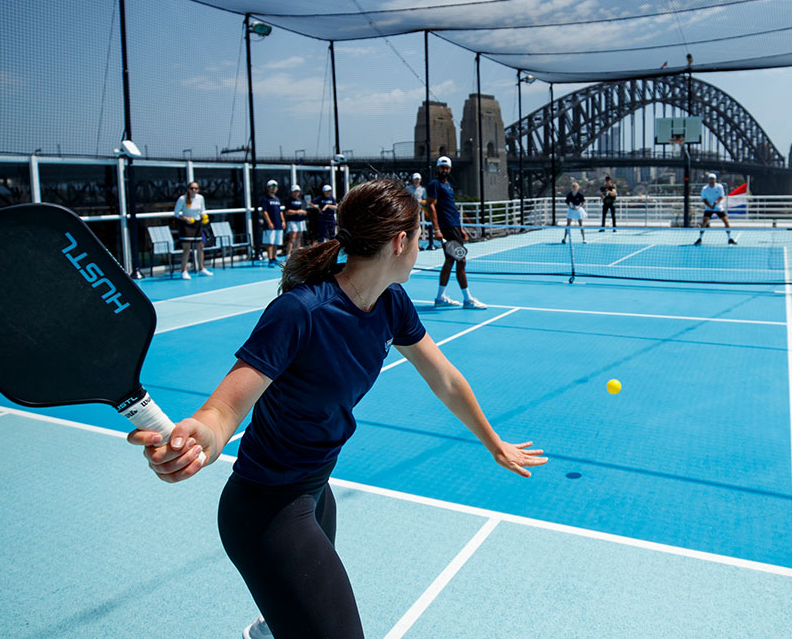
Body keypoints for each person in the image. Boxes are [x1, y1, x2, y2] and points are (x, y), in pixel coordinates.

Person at [127, 179, 546, 639]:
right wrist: (201, 437)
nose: (422, 245)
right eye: (419, 234)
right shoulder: (301, 312)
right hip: (265, 510)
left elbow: (443, 378)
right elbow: (225, 409)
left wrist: (493, 442)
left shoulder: (391, 303)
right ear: (399, 241)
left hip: (314, 494)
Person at [427, 156, 486, 309]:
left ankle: (440, 297)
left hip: (454, 228)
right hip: (447, 229)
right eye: (441, 167)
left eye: (446, 168)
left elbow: (452, 209)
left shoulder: (449, 186)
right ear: (437, 168)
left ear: (450, 169)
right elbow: (431, 206)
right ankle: (468, 300)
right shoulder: (434, 184)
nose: (444, 170)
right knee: (461, 261)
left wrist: (461, 230)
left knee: (450, 261)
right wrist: (437, 229)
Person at [174, 181, 213, 279]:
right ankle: (184, 271)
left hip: (197, 224)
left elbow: (202, 209)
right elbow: (176, 213)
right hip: (186, 225)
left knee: (200, 246)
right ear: (188, 189)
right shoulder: (182, 199)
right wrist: (186, 219)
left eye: (196, 188)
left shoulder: (200, 198)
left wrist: (204, 216)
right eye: (192, 188)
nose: (194, 190)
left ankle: (201, 268)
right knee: (186, 248)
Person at [693, 173, 737, 246]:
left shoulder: (719, 187)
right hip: (708, 208)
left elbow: (721, 196)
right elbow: (703, 199)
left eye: (713, 179)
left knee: (726, 222)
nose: (712, 180)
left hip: (718, 208)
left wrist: (716, 202)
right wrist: (709, 206)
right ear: (708, 180)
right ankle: (700, 238)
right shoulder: (705, 189)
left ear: (715, 180)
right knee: (704, 222)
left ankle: (730, 238)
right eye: (710, 179)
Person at [260, 179, 285, 267]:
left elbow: (280, 211)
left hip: (278, 224)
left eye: (275, 187)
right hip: (270, 225)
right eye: (272, 187)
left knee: (276, 242)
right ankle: (270, 259)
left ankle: (274, 257)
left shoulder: (277, 199)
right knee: (270, 242)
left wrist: (283, 221)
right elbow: (264, 212)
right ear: (268, 188)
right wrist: (269, 222)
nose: (273, 188)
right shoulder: (265, 199)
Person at [283, 184, 308, 260]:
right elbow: (287, 211)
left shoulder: (301, 200)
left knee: (299, 237)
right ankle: (288, 254)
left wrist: (303, 212)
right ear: (292, 192)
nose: (296, 193)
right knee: (292, 237)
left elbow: (305, 211)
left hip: (300, 221)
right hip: (292, 221)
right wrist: (297, 212)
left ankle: (297, 253)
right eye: (295, 191)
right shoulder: (289, 200)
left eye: (297, 191)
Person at [409, 172, 432, 249]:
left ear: (420, 180)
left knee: (419, 228)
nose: (416, 181)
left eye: (418, 179)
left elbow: (426, 201)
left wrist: (419, 201)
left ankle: (417, 244)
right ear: (412, 180)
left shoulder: (423, 190)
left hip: (419, 212)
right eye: (415, 179)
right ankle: (412, 244)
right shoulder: (408, 189)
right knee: (411, 228)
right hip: (410, 212)